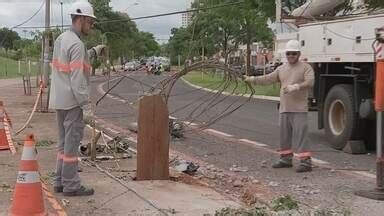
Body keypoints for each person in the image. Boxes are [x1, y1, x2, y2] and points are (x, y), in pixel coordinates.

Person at [49, 0, 106, 196]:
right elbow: (77, 78)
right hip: (73, 101)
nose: (91, 26)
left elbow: (72, 62)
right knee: (72, 144)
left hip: (60, 99)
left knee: (63, 142)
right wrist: (86, 104)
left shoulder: (62, 39)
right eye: (90, 22)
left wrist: (93, 51)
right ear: (80, 19)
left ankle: (59, 181)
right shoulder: (76, 44)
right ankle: (71, 185)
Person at [244, 40, 315, 173]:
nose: (291, 56)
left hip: (299, 109)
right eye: (289, 53)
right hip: (284, 108)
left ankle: (305, 162)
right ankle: (286, 159)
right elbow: (268, 78)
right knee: (284, 135)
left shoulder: (306, 67)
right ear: (286, 54)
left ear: (299, 54)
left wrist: (296, 86)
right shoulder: (281, 69)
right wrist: (252, 79)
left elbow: (310, 82)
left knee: (301, 135)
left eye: (294, 53)